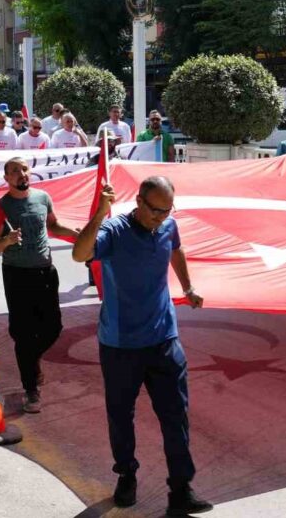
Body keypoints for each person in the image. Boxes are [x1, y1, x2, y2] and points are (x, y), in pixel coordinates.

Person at [72, 176, 211, 515]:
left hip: (164, 339)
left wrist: (188, 287)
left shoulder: (168, 226)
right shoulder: (115, 231)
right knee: (121, 416)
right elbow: (79, 254)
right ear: (138, 201)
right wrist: (101, 211)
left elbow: (175, 248)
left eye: (167, 210)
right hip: (121, 344)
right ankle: (126, 475)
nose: (160, 217)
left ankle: (181, 489)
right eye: (154, 211)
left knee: (175, 417)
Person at [0, 157, 79, 413]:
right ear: (6, 179)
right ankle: (31, 390)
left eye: (24, 169)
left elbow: (54, 226)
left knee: (53, 327)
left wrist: (77, 234)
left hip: (45, 272)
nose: (21, 174)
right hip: (17, 275)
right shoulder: (1, 207)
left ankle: (32, 359)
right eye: (14, 171)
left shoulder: (42, 197)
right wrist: (6, 241)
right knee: (23, 334)